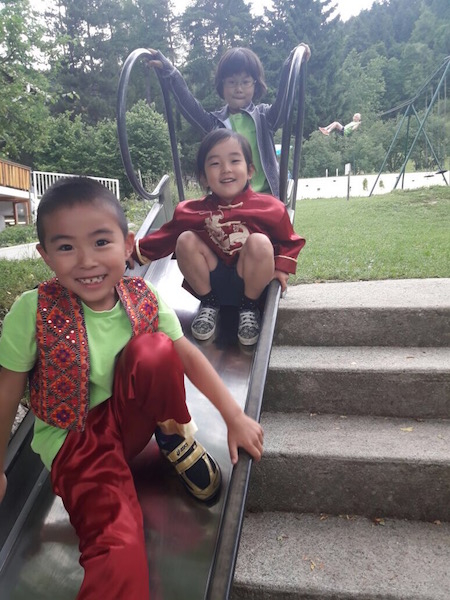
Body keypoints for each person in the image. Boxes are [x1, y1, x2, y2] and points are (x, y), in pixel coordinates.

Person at [0, 177, 263, 600]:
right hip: (75, 444)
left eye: (100, 242)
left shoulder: (143, 296)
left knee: (156, 350)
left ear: (127, 245)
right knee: (117, 543)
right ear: (45, 255)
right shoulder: (32, 311)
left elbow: (188, 356)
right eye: (65, 247)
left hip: (131, 424)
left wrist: (234, 416)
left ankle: (173, 438)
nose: (86, 261)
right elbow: (7, 391)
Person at [132, 129, 305, 346]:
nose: (226, 169)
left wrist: (281, 269)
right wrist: (132, 253)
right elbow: (164, 238)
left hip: (250, 282)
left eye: (234, 160)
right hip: (212, 283)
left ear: (250, 170)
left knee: (260, 242)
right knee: (185, 239)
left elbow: (290, 241)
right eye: (215, 163)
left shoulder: (270, 208)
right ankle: (209, 305)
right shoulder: (191, 211)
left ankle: (249, 308)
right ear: (204, 178)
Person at [146, 43, 310, 199]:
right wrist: (170, 73)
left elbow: (284, 100)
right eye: (231, 82)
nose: (238, 89)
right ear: (222, 85)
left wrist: (291, 63)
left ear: (255, 85)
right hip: (229, 203)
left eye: (245, 82)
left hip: (265, 200)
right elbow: (189, 106)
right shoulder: (215, 124)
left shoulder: (264, 117)